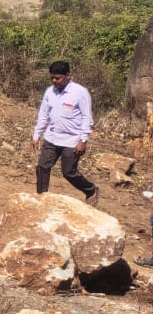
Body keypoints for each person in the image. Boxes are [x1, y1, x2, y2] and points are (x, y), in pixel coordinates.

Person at [31, 60, 99, 206]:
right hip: (52, 138)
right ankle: (41, 199)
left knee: (68, 172)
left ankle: (91, 190)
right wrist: (36, 136)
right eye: (52, 78)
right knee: (42, 167)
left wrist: (83, 140)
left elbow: (87, 118)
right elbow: (43, 115)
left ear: (68, 76)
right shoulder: (50, 92)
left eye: (58, 78)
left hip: (72, 141)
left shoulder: (80, 92)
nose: (54, 81)